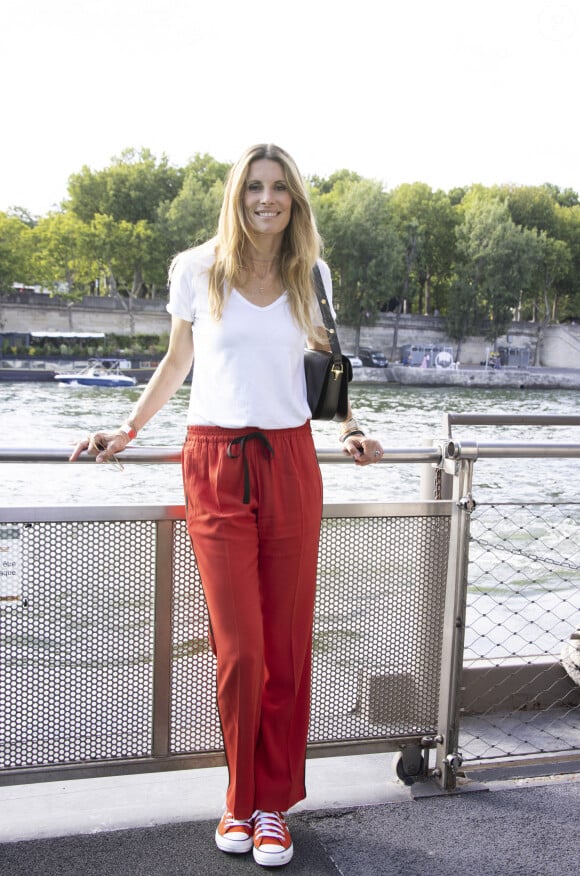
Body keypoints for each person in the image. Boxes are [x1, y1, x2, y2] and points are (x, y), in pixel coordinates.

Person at [70, 143, 384, 868]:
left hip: (292, 463)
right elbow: (178, 360)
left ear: (294, 199)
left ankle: (272, 805)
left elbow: (324, 371)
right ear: (237, 197)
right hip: (213, 465)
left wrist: (350, 428)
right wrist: (128, 428)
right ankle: (238, 799)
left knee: (285, 648)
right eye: (253, 188)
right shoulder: (197, 267)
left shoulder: (312, 274)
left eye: (278, 189)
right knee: (239, 650)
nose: (265, 200)